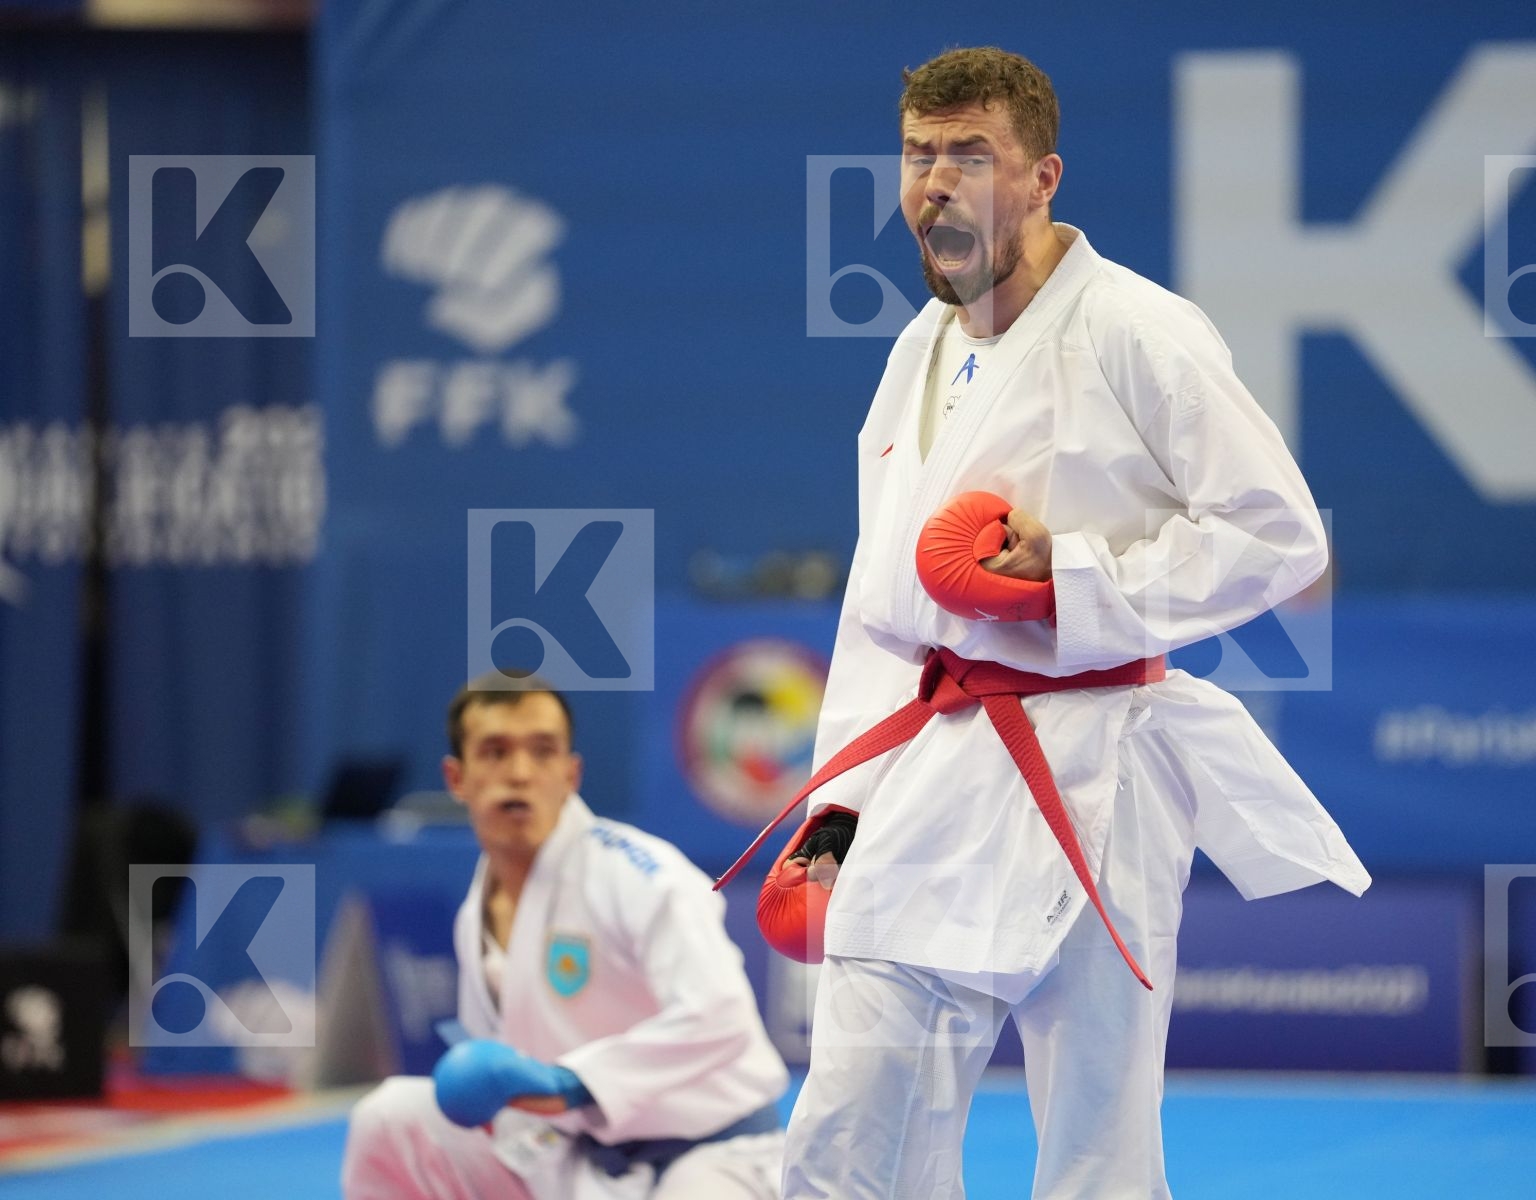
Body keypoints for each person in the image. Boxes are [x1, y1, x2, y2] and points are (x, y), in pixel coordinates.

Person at [773, 47, 1370, 1199]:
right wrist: (835, 812)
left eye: (970, 155)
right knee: (856, 1116)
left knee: (1097, 1136)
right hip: (937, 764)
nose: (935, 183)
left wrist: (1074, 580)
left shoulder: (1140, 329)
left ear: (1043, 178)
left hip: (1103, 764)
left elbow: (1279, 534)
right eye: (917, 155)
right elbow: (879, 610)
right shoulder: (918, 352)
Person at [342, 675, 789, 1199]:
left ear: (571, 773)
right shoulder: (477, 913)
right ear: (457, 778)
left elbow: (721, 1016)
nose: (520, 773)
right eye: (495, 752)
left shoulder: (640, 874)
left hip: (717, 1157)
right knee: (391, 1116)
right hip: (581, 1160)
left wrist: (568, 1084)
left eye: (542, 751)